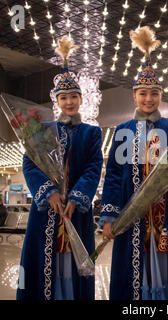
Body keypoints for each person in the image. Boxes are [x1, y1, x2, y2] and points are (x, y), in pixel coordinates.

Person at [99, 26, 168, 300]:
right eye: (143, 93)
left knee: (166, 261)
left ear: (161, 95)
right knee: (133, 267)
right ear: (134, 95)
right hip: (129, 211)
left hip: (165, 209)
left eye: (154, 93)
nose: (148, 99)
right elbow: (113, 175)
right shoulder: (122, 131)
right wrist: (108, 217)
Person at [17, 36, 103, 300]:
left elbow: (93, 167)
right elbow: (30, 164)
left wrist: (77, 197)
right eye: (63, 97)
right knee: (44, 263)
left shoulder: (91, 133)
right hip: (46, 212)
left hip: (75, 212)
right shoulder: (43, 131)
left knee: (74, 265)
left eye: (73, 97)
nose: (68, 102)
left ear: (81, 100)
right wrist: (48, 193)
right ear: (57, 101)